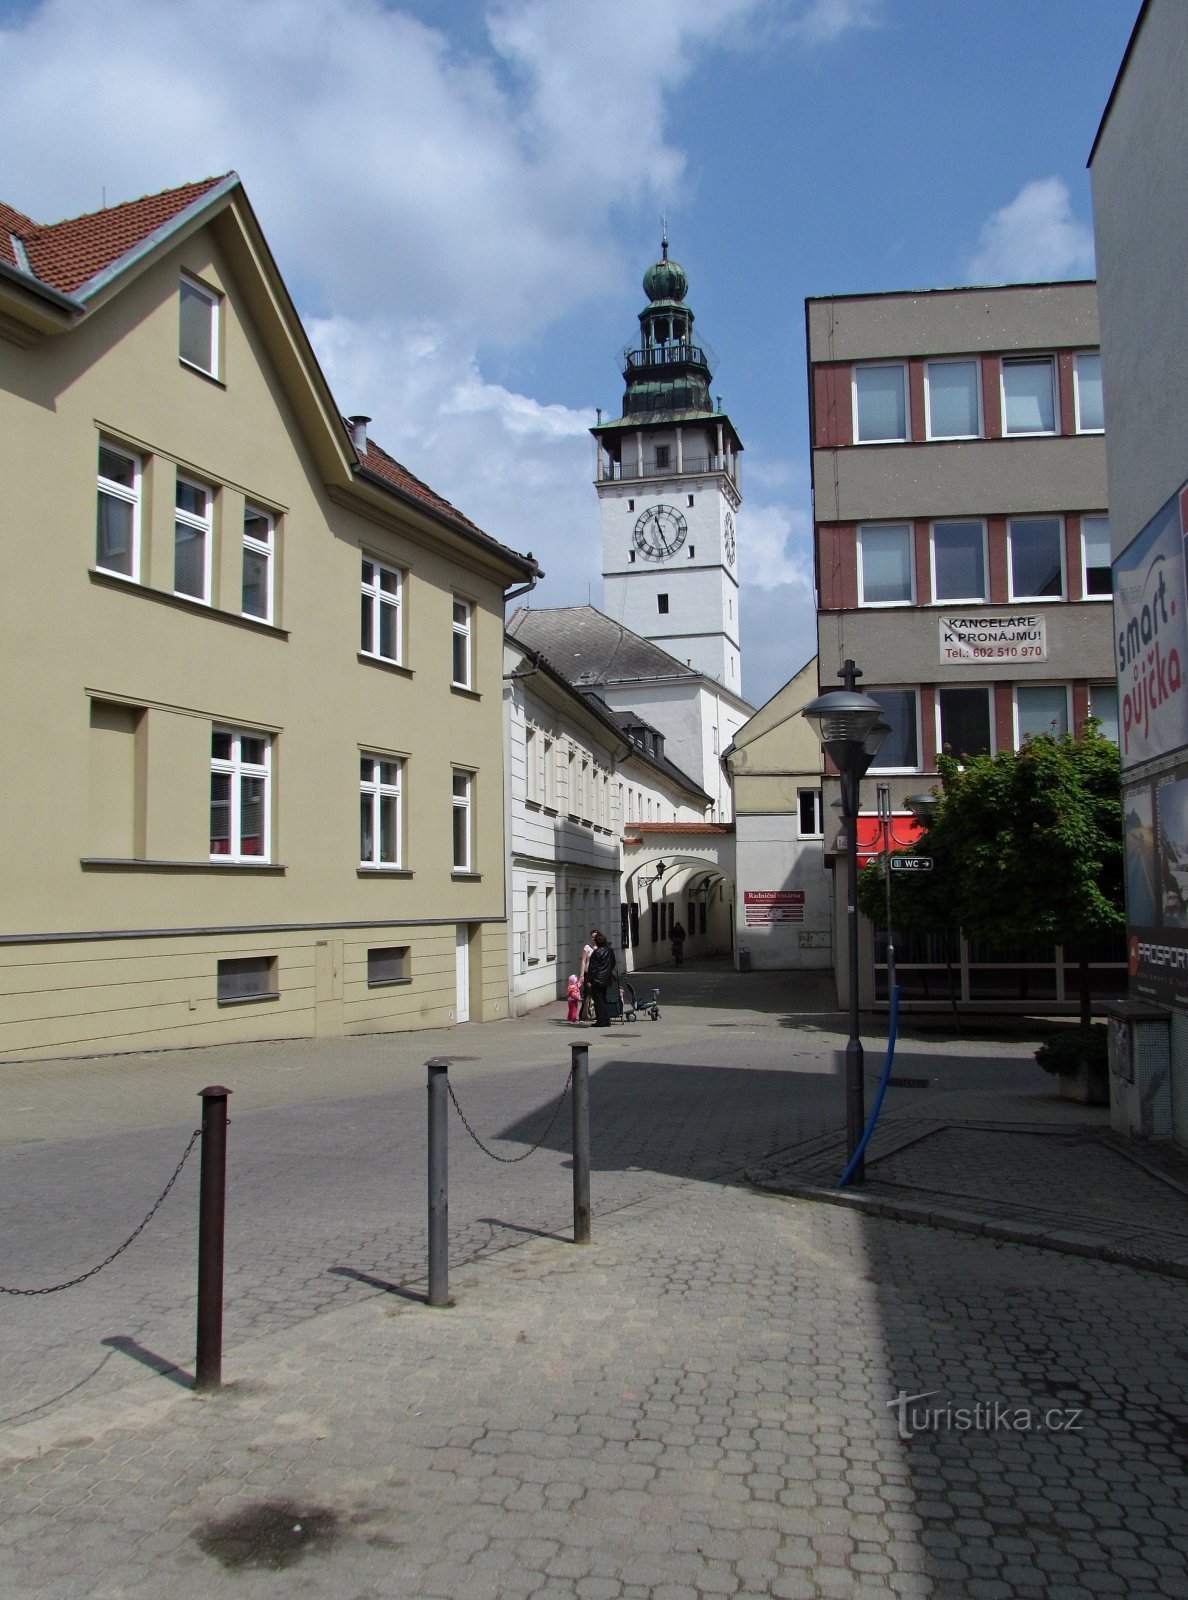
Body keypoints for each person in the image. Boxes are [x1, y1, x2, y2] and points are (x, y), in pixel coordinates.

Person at [585, 932, 617, 1027]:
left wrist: (589, 980)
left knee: (598, 1001)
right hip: (606, 978)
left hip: (597, 980)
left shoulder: (597, 952)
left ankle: (601, 1021)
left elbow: (592, 968)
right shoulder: (610, 951)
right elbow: (613, 963)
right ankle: (607, 1020)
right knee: (604, 999)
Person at [578, 928, 600, 1021]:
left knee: (597, 994)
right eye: (592, 937)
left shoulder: (600, 948)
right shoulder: (587, 947)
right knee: (587, 994)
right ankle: (583, 1014)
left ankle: (594, 1014)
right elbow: (583, 961)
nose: (593, 939)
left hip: (597, 974)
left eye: (595, 937)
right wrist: (582, 975)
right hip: (588, 974)